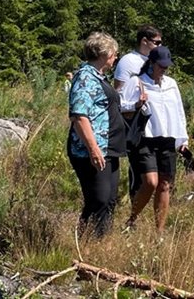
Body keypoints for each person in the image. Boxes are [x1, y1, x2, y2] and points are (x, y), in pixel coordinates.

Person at [122, 46, 189, 233]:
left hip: (167, 137)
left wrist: (183, 139)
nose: (163, 70)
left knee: (164, 184)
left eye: (166, 67)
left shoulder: (171, 84)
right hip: (145, 137)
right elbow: (120, 105)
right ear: (151, 63)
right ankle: (132, 219)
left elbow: (179, 111)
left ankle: (159, 232)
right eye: (161, 66)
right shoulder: (136, 82)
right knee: (151, 182)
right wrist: (136, 103)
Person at [68, 32, 124, 238]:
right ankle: (85, 244)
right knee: (97, 199)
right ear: (105, 53)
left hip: (109, 148)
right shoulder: (85, 77)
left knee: (109, 200)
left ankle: (103, 242)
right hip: (91, 150)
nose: (116, 57)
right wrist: (93, 149)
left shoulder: (99, 77)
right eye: (114, 53)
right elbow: (79, 116)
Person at [115, 25, 162, 201]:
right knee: (139, 168)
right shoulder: (129, 61)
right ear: (144, 41)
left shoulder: (156, 60)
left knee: (156, 168)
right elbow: (117, 95)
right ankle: (134, 210)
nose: (160, 46)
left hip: (155, 123)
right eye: (157, 42)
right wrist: (134, 105)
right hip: (136, 123)